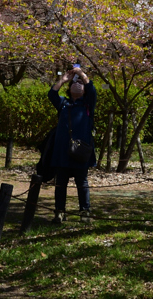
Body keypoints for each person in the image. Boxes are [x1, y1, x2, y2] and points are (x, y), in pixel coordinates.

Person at [48, 63, 96, 223]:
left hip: (80, 151)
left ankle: (85, 211)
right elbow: (52, 94)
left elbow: (92, 90)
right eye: (75, 82)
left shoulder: (88, 104)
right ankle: (60, 212)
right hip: (62, 151)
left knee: (82, 183)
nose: (78, 84)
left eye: (81, 83)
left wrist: (81, 74)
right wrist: (63, 80)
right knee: (60, 183)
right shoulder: (63, 104)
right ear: (69, 89)